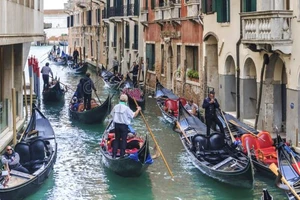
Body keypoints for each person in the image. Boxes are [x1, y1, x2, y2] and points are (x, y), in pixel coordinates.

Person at [110, 94, 141, 158]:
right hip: (124, 126)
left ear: (120, 99)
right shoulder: (127, 108)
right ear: (126, 100)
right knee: (124, 140)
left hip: (117, 125)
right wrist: (138, 109)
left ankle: (114, 155)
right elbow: (133, 115)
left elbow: (112, 115)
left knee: (116, 139)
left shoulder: (116, 106)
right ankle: (122, 155)